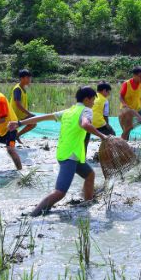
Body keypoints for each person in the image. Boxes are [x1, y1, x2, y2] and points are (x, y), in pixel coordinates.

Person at [10, 86, 111, 216]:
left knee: (90, 174)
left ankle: (88, 203)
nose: (93, 104)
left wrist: (19, 123)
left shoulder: (68, 111)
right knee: (60, 192)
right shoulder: (86, 110)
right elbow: (85, 125)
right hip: (70, 156)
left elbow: (43, 117)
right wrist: (103, 136)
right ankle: (32, 215)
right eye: (92, 101)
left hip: (66, 153)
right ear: (87, 99)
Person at [120, 67, 141, 144]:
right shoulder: (126, 84)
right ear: (134, 75)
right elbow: (121, 96)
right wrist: (125, 105)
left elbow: (140, 95)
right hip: (128, 110)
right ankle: (123, 143)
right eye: (140, 76)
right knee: (127, 130)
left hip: (138, 108)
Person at [85, 82, 116, 154]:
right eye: (108, 92)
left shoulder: (91, 97)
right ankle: (102, 153)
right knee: (111, 135)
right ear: (104, 91)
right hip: (99, 123)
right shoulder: (105, 100)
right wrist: (107, 125)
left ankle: (82, 158)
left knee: (85, 141)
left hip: (87, 122)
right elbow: (105, 115)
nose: (108, 94)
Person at [10, 69, 36, 140]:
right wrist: (29, 113)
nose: (29, 80)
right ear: (22, 78)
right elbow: (18, 104)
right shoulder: (17, 89)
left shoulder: (23, 88)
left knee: (33, 122)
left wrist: (28, 113)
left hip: (21, 115)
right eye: (27, 78)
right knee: (7, 132)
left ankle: (17, 135)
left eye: (30, 78)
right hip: (14, 115)